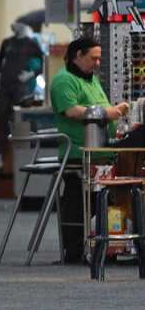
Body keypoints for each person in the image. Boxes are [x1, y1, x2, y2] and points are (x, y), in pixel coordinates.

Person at [51, 36, 129, 262]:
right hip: (78, 153)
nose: (97, 63)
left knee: (105, 201)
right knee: (78, 201)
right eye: (93, 58)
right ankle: (74, 250)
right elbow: (72, 111)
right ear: (78, 56)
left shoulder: (91, 80)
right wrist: (109, 113)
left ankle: (108, 245)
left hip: (103, 152)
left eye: (99, 59)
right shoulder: (63, 80)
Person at [0, 22, 43, 174]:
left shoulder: (31, 43)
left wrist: (31, 74)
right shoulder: (7, 42)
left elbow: (44, 61)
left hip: (20, 85)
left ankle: (22, 160)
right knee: (2, 121)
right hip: (5, 85)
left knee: (19, 121)